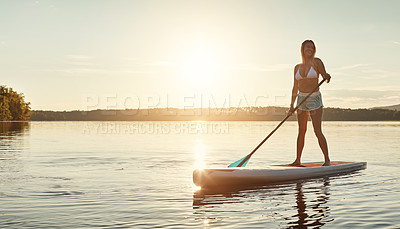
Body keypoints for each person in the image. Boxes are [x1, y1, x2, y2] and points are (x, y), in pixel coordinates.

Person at [288, 40, 331, 166]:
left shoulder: (317, 62)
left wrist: (327, 76)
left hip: (314, 99)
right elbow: (295, 88)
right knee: (301, 131)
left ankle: (327, 160)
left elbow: (325, 77)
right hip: (301, 100)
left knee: (317, 130)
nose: (310, 49)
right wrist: (291, 106)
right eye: (308, 47)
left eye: (312, 48)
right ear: (302, 49)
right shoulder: (297, 67)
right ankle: (297, 160)